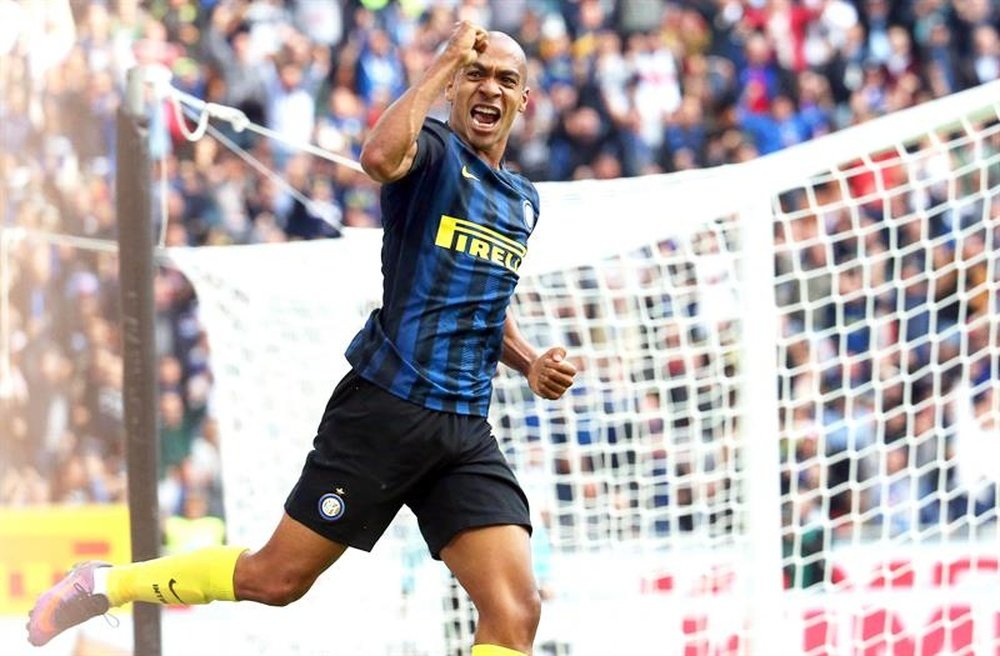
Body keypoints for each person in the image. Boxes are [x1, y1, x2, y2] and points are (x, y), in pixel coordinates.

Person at [26, 21, 577, 656]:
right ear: (452, 87)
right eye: (474, 76)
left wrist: (531, 361)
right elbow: (376, 159)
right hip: (385, 409)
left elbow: (484, 297)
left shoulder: (522, 201)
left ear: (525, 99)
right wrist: (440, 63)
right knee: (276, 579)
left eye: (506, 80)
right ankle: (106, 585)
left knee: (516, 611)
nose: (489, 89)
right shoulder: (428, 153)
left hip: (462, 429)